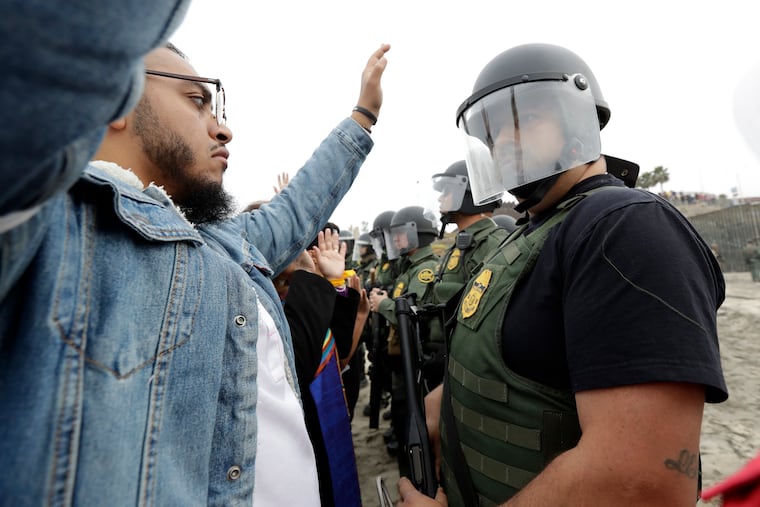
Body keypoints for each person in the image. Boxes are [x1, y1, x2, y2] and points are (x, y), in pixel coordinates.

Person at [0, 3, 391, 501]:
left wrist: (364, 114)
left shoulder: (228, 241)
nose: (223, 129)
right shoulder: (50, 226)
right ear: (114, 95)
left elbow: (301, 205)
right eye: (196, 101)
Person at [398, 43, 726, 507]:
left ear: (576, 119)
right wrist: (443, 406)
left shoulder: (625, 227)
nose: (503, 141)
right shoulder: (532, 230)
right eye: (491, 132)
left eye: (525, 119)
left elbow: (641, 481)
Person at [275, 228, 367, 507]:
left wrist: (335, 283)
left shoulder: (301, 294)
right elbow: (300, 365)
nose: (304, 249)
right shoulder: (268, 304)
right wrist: (310, 275)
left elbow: (336, 357)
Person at [369, 205, 442, 477]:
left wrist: (385, 304)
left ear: (415, 235)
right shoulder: (409, 267)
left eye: (399, 235)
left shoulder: (425, 269)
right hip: (405, 356)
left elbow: (416, 311)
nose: (395, 241)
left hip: (420, 359)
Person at [431, 160, 508, 314]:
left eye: (447, 191)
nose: (440, 199)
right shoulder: (459, 245)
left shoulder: (494, 243)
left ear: (468, 194)